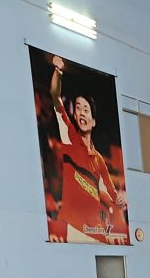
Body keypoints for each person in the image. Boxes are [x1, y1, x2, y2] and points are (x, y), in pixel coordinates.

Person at [47, 54, 126, 243]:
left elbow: (110, 190)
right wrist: (58, 71)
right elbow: (55, 97)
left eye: (86, 109)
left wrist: (118, 200)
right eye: (78, 107)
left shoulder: (98, 159)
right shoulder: (69, 136)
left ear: (94, 121)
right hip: (73, 229)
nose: (81, 112)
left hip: (95, 230)